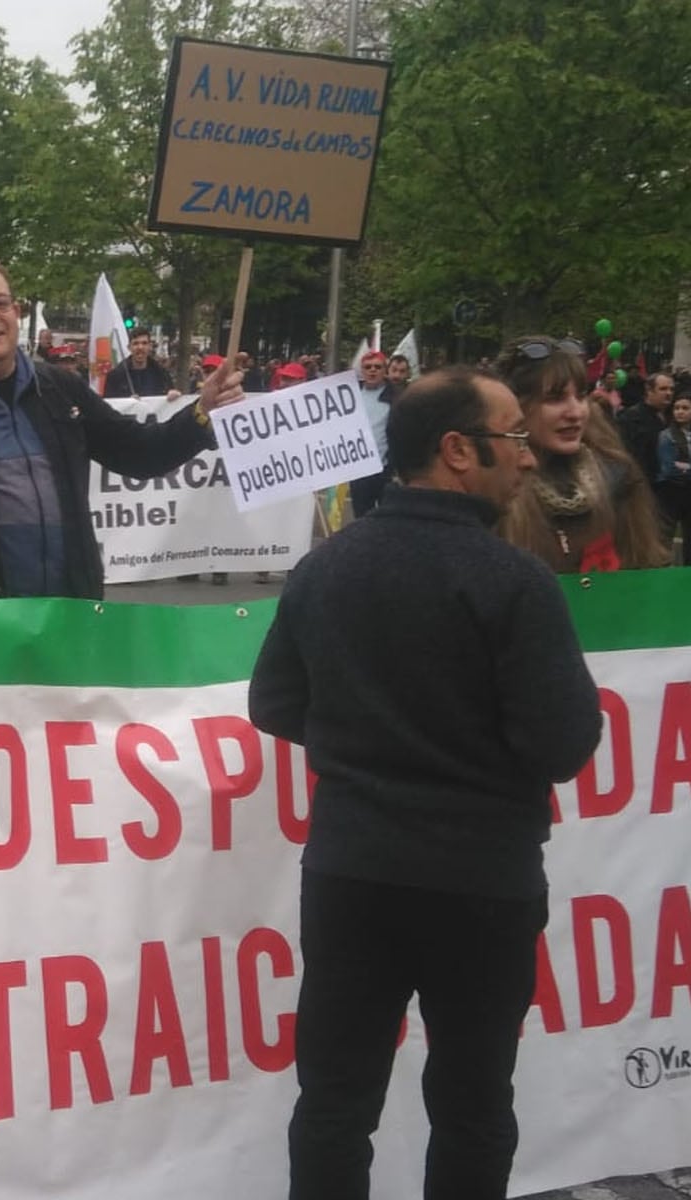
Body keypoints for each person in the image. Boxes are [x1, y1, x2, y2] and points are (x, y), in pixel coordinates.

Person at [248, 366, 601, 1200]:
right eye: (513, 436)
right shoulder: (515, 581)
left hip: (351, 872)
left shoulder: (325, 567)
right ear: (456, 451)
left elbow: (274, 703)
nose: (525, 458)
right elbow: (562, 742)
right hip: (481, 880)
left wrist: (364, 741)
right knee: (474, 1102)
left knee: (335, 1098)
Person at [0, 255, 243, 603]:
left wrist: (201, 412)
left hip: (70, 618)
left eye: (0, 303)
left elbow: (140, 453)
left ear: (16, 312)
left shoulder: (58, 388)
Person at [494, 336, 667, 571]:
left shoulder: (618, 479)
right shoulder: (487, 490)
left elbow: (642, 572)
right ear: (516, 407)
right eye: (555, 398)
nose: (575, 412)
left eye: (581, 395)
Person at [349, 350, 400, 517]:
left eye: (377, 367)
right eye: (368, 367)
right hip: (359, 468)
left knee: (387, 518)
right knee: (361, 516)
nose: (372, 370)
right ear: (362, 371)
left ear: (385, 370)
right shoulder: (350, 395)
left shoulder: (396, 398)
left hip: (384, 469)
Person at [656, 392, 691, 563]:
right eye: (677, 408)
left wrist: (685, 467)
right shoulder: (666, 435)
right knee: (665, 536)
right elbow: (669, 468)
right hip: (670, 491)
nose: (680, 412)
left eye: (685, 408)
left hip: (689, 491)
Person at [103, 326, 174, 397]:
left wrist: (174, 396)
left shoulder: (162, 374)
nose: (140, 347)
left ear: (150, 346)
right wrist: (127, 402)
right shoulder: (115, 376)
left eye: (144, 343)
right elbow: (109, 404)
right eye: (135, 343)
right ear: (129, 347)